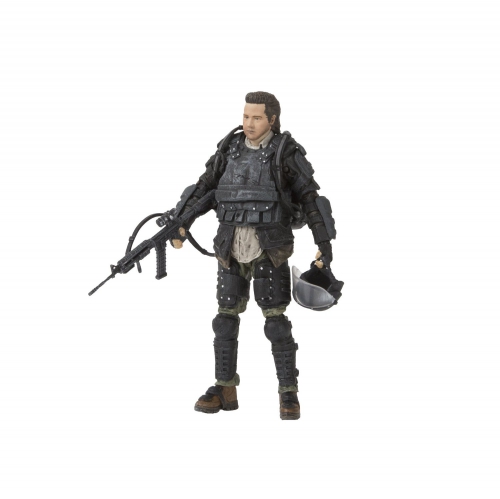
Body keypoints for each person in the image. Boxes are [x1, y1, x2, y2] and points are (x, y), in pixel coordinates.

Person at [171, 91, 337, 420]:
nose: (249, 123)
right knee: (224, 321)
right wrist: (182, 222)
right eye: (246, 116)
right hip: (230, 245)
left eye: (257, 117)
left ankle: (288, 391)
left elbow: (310, 197)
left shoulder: (285, 152)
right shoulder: (228, 149)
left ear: (272, 120)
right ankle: (224, 388)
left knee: (276, 323)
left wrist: (324, 242)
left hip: (269, 247)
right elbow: (204, 188)